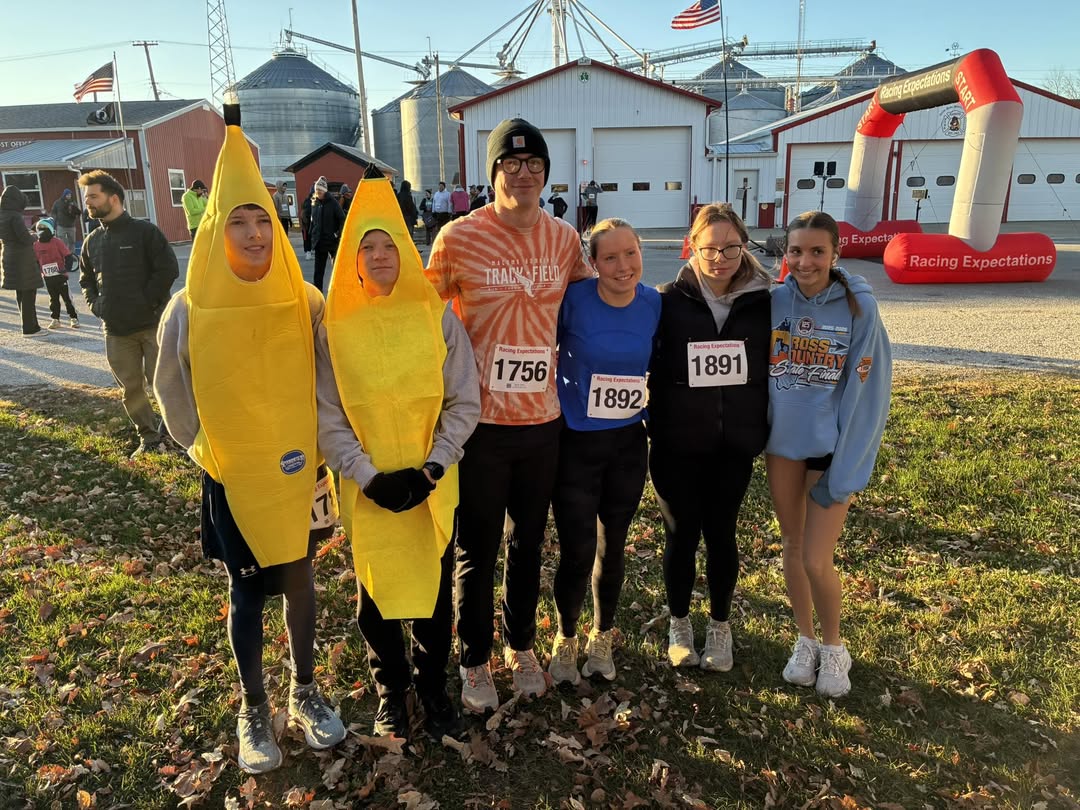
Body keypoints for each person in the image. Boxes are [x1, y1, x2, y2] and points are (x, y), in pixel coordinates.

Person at [154, 110, 346, 774]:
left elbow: (328, 377)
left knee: (299, 582)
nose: (254, 233)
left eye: (262, 219)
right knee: (247, 591)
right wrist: (203, 446)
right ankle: (252, 703)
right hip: (234, 474)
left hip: (300, 473)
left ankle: (305, 689)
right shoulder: (188, 306)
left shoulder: (306, 298)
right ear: (216, 227)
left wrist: (323, 450)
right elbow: (170, 386)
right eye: (238, 221)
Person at [425, 118, 594, 712]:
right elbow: (421, 318)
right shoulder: (458, 238)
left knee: (528, 544)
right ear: (492, 172)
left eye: (534, 165)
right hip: (479, 425)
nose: (523, 174)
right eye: (510, 164)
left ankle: (521, 644)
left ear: (546, 174)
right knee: (477, 548)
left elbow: (595, 306)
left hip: (542, 421)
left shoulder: (564, 240)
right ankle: (474, 661)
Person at [317, 171, 480, 742]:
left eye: (391, 244)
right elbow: (328, 414)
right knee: (376, 593)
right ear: (352, 258)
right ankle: (392, 688)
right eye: (369, 247)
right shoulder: (333, 329)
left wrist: (433, 465)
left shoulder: (436, 316)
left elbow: (464, 399)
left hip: (431, 483)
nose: (381, 256)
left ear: (407, 251)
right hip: (369, 488)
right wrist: (366, 476)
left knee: (434, 593)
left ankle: (434, 685)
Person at [766, 210, 892, 698]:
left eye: (817, 251)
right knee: (793, 547)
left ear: (835, 254)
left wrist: (848, 465)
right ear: (786, 255)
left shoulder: (859, 307)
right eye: (796, 251)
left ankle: (835, 648)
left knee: (818, 559)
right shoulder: (775, 302)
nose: (806, 260)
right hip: (783, 448)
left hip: (830, 452)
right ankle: (806, 640)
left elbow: (872, 394)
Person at [647, 203, 772, 672]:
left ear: (744, 246)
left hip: (734, 443)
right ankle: (680, 623)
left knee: (721, 534)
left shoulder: (767, 301)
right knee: (681, 536)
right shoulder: (665, 301)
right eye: (709, 248)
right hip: (677, 443)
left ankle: (720, 626)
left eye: (730, 248)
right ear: (692, 247)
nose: (720, 258)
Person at [548, 219, 660, 685]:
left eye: (630, 253)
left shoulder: (655, 303)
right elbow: (539, 348)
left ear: (640, 253)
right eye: (609, 257)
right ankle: (565, 635)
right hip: (576, 441)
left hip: (628, 444)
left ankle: (602, 634)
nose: (622, 266)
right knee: (577, 549)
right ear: (592, 264)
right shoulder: (573, 300)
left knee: (613, 546)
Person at [78, 171, 178, 455]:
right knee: (131, 390)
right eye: (87, 199)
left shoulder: (145, 232)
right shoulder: (92, 241)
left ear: (114, 198)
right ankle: (148, 438)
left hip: (152, 326)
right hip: (116, 332)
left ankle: (175, 433)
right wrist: (97, 305)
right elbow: (86, 279)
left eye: (94, 197)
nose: (89, 203)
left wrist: (146, 301)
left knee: (166, 384)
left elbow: (168, 269)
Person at [1, 185, 47, 337]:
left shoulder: (2, 215)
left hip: (8, 254)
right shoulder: (15, 216)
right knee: (28, 293)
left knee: (20, 293)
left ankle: (30, 325)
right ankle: (30, 328)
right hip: (22, 259)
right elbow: (25, 239)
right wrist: (36, 235)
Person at [33, 219, 79, 328]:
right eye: (40, 229)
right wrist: (39, 272)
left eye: (44, 229)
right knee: (53, 299)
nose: (41, 232)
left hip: (61, 276)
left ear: (50, 230)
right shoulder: (36, 245)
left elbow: (68, 256)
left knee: (67, 298)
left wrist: (66, 269)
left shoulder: (57, 242)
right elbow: (35, 261)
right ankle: (55, 319)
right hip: (48, 277)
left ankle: (74, 318)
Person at [309, 177, 345, 293]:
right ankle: (318, 293)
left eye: (320, 191)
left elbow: (342, 218)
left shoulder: (333, 202)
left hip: (331, 240)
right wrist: (312, 234)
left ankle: (338, 291)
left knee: (336, 267)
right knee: (318, 271)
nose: (318, 193)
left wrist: (337, 234)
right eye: (317, 191)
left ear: (324, 191)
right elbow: (312, 221)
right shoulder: (314, 202)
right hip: (319, 242)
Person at [300, 183, 315, 260]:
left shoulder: (311, 200)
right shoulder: (308, 202)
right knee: (307, 238)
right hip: (307, 223)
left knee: (310, 237)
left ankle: (309, 251)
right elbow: (305, 213)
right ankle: (308, 252)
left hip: (310, 222)